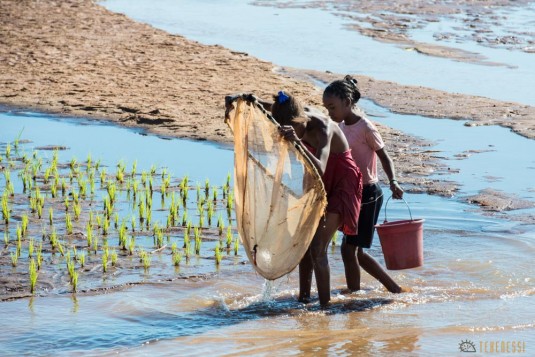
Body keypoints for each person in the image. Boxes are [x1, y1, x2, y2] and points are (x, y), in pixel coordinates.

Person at [226, 91, 363, 306]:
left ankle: (325, 308)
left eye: (294, 129)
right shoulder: (289, 112)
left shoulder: (322, 128)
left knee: (318, 247)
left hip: (342, 180)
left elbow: (321, 166)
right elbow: (271, 107)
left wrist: (296, 141)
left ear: (300, 122)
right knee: (305, 242)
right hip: (316, 179)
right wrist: (244, 100)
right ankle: (304, 298)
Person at [323, 75, 404, 294]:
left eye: (332, 107)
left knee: (350, 251)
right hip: (349, 193)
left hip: (368, 193)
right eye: (327, 108)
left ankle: (362, 293)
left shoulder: (365, 127)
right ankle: (371, 291)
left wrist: (393, 181)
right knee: (352, 251)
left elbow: (385, 157)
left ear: (347, 103)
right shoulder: (338, 127)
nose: (329, 113)